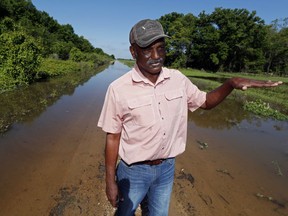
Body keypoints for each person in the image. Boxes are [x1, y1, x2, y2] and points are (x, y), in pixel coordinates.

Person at [97, 19, 283, 216]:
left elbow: (205, 102)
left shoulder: (177, 79)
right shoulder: (118, 89)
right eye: (147, 50)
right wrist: (110, 181)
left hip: (166, 169)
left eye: (161, 48)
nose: (156, 56)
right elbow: (112, 137)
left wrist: (231, 83)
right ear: (133, 52)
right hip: (133, 171)